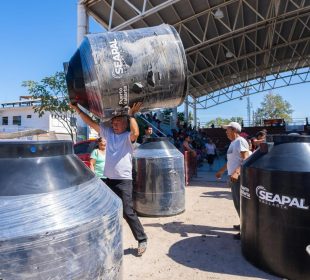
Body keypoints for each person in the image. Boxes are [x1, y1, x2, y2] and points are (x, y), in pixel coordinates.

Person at [70, 102, 148, 256]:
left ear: (125, 123)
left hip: (124, 180)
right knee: (106, 210)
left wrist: (132, 114)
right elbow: (90, 123)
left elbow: (136, 133)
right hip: (108, 180)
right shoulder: (108, 135)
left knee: (127, 211)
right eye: (113, 122)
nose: (114, 125)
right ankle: (107, 239)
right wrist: (78, 109)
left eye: (118, 122)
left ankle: (142, 238)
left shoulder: (127, 137)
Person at [215, 122, 249, 240]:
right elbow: (230, 162)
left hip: (238, 177)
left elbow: (245, 159)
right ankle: (243, 224)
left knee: (240, 203)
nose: (226, 132)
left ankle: (246, 230)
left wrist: (237, 172)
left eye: (227, 129)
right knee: (237, 203)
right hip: (233, 177)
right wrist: (221, 171)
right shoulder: (233, 143)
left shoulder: (240, 141)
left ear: (234, 130)